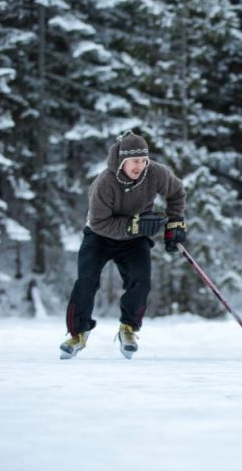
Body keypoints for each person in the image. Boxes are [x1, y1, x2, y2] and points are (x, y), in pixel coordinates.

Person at [59, 130, 187, 360]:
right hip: (99, 236)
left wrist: (174, 223)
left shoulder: (156, 173)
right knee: (86, 280)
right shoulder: (104, 183)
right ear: (122, 161)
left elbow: (177, 192)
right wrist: (132, 225)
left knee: (141, 280)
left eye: (142, 160)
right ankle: (78, 333)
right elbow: (99, 221)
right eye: (133, 161)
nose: (139, 166)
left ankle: (128, 328)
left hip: (134, 239)